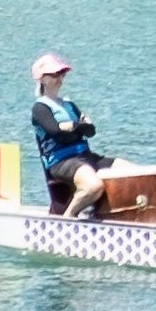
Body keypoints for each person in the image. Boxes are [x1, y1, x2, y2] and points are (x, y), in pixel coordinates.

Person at [29, 53, 111, 217]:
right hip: (60, 162)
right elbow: (56, 132)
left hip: (84, 156)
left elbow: (90, 131)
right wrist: (77, 126)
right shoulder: (40, 108)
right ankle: (68, 217)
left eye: (62, 74)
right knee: (93, 187)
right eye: (54, 75)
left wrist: (72, 127)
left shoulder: (69, 106)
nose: (60, 78)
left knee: (134, 172)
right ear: (42, 79)